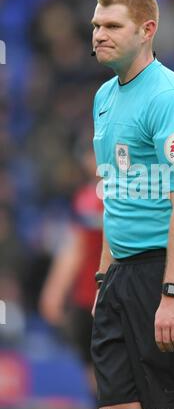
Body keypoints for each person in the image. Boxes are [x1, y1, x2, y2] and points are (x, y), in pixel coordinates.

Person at [90, 0, 174, 409]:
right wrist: (104, 280)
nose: (98, 34)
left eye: (112, 25)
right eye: (96, 25)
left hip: (164, 272)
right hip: (120, 277)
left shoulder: (168, 98)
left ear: (147, 30)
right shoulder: (104, 98)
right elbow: (114, 193)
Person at [40, 147, 104, 395]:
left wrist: (53, 292)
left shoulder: (99, 197)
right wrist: (54, 292)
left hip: (112, 300)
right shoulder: (86, 198)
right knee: (98, 378)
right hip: (88, 300)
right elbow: (74, 247)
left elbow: (73, 249)